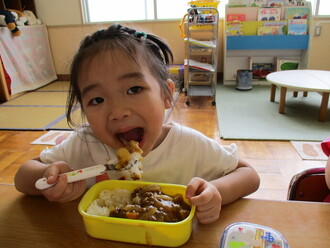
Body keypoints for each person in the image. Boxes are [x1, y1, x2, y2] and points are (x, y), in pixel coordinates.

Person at [15, 24, 260, 224]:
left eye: (134, 89)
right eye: (97, 99)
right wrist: (50, 177)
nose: (118, 112)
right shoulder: (85, 144)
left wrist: (217, 192)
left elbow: (248, 175)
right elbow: (22, 177)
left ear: (166, 95)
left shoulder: (188, 144)